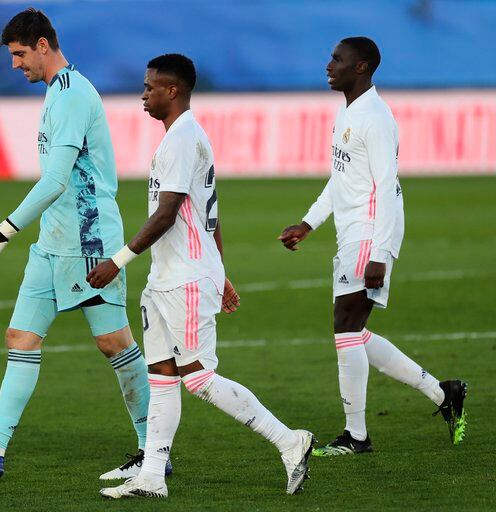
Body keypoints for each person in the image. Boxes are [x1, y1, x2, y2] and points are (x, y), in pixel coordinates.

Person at [0, 8, 167, 481]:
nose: (15, 65)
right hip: (52, 243)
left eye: (19, 54)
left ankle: (153, 452)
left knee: (113, 343)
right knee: (21, 338)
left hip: (89, 243)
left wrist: (0, 234)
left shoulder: (74, 95)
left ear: (43, 44)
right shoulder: (58, 94)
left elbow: (57, 180)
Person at [88, 54, 314, 499]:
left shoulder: (183, 138)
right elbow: (210, 217)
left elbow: (169, 214)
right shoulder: (182, 137)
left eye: (150, 87)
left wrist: (118, 260)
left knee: (198, 378)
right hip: (169, 277)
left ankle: (291, 441)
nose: (144, 94)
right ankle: (152, 476)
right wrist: (223, 272)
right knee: (162, 376)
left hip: (185, 278)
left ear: (172, 90)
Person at [278, 37, 467, 456]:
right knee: (353, 331)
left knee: (345, 328)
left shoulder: (376, 118)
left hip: (369, 234)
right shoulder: (348, 111)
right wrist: (309, 222)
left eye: (337, 60)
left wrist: (379, 252)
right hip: (352, 233)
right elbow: (340, 178)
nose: (329, 65)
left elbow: (385, 185)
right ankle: (443, 393)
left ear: (361, 67)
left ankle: (357, 436)